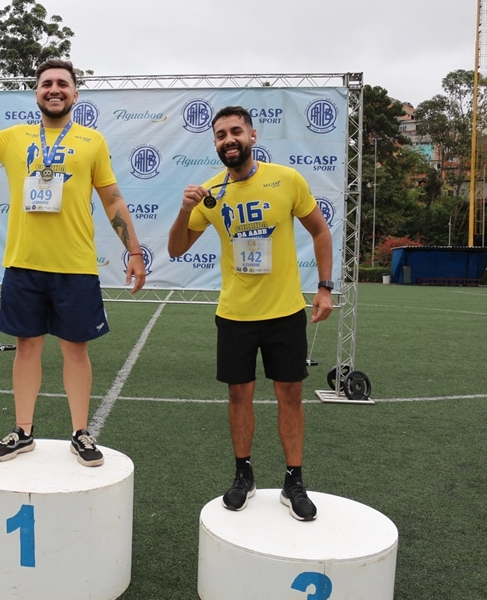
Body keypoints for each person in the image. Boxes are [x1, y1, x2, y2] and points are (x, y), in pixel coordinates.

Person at [0, 60, 147, 467]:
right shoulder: (14, 138)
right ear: (36, 92)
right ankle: (23, 431)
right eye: (46, 84)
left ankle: (80, 433)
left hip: (76, 266)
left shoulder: (92, 141)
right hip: (23, 264)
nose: (54, 89)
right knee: (26, 349)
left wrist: (133, 250)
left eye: (62, 84)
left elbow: (112, 198)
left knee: (75, 351)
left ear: (76, 94)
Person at [167, 106, 334, 521]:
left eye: (235, 131)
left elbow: (320, 230)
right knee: (239, 395)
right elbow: (175, 249)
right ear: (215, 143)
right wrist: (184, 209)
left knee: (289, 395)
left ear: (252, 136)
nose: (229, 139)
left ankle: (294, 479)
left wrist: (325, 287)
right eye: (221, 134)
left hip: (284, 312)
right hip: (236, 314)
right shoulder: (210, 193)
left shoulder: (286, 179)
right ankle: (244, 474)